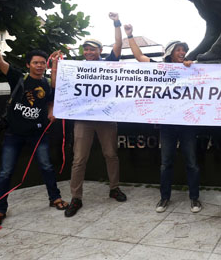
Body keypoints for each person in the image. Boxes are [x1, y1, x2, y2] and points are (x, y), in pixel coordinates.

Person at [0, 30, 67, 228]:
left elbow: (50, 100)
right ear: (28, 64)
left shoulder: (46, 84)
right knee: (6, 172)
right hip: (14, 134)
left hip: (39, 134)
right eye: (35, 63)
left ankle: (54, 198)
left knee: (47, 167)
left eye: (42, 63)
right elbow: (0, 62)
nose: (39, 66)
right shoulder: (18, 78)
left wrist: (51, 111)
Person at [124, 24, 201, 213]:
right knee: (166, 163)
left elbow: (215, 72)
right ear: (170, 53)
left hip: (187, 123)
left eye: (184, 50)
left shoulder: (191, 67)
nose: (182, 53)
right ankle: (164, 198)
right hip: (167, 125)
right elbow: (139, 57)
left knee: (191, 162)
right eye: (179, 50)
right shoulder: (159, 68)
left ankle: (195, 198)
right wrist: (130, 35)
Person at [63, 12, 127, 218]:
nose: (88, 52)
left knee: (111, 154)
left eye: (92, 49)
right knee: (79, 159)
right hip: (83, 119)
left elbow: (118, 45)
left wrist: (117, 23)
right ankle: (76, 198)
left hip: (106, 117)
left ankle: (114, 188)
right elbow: (61, 87)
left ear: (100, 51)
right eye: (86, 49)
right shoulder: (76, 68)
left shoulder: (108, 63)